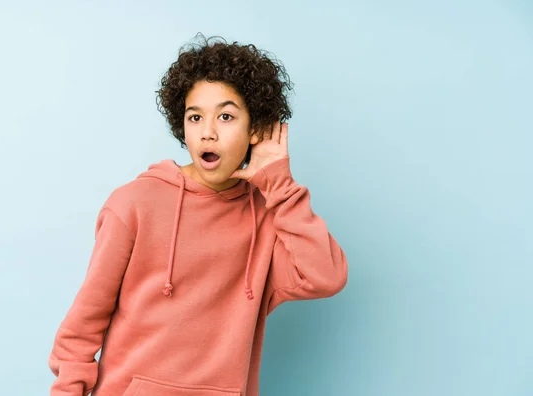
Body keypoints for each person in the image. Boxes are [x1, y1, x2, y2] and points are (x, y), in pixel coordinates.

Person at [48, 34, 348, 396]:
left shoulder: (269, 216)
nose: (207, 133)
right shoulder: (134, 204)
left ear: (256, 129)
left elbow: (324, 277)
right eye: (195, 117)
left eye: (225, 116)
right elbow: (80, 330)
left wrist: (280, 188)